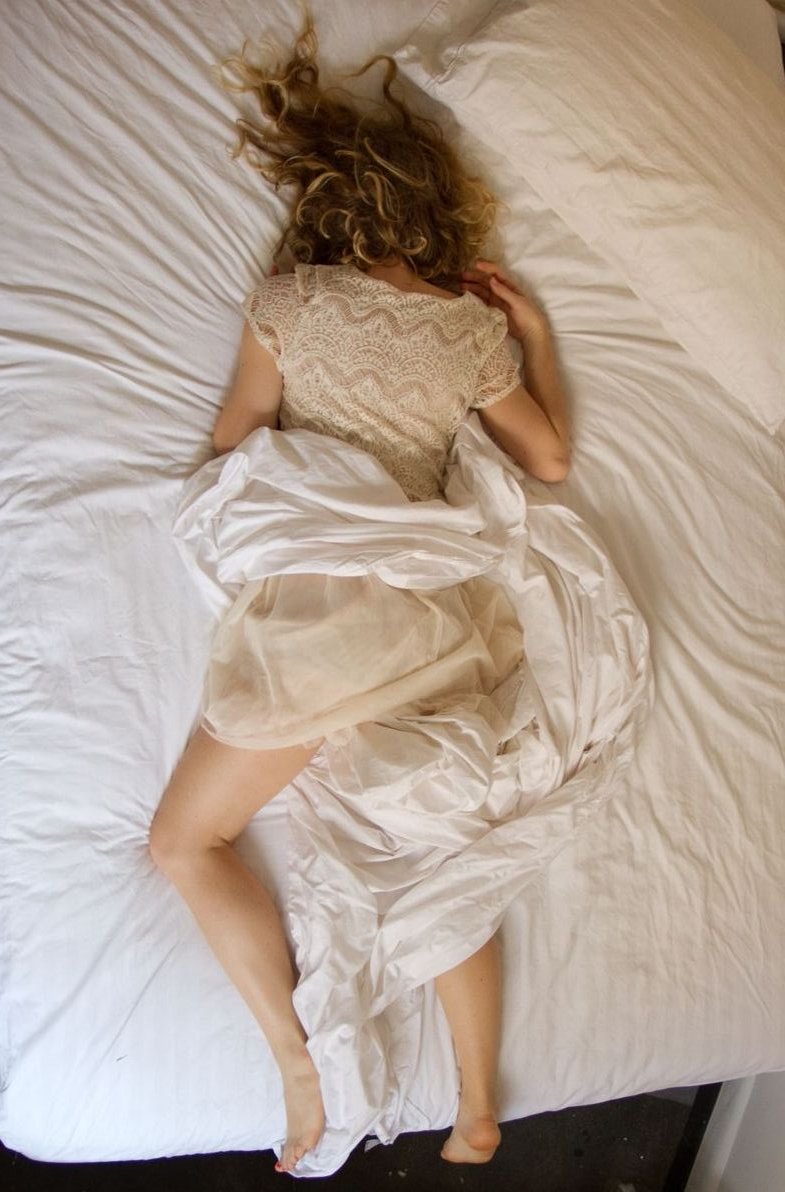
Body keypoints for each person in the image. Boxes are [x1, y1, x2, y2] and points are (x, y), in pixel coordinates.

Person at [148, 15, 571, 1176]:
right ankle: (474, 1108)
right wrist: (530, 334)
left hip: (325, 627)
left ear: (328, 205)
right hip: (432, 621)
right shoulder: (472, 332)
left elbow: (230, 447)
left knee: (187, 841)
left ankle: (298, 1066)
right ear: (437, 213)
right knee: (438, 857)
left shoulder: (288, 302)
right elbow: (546, 460)